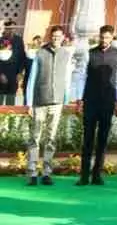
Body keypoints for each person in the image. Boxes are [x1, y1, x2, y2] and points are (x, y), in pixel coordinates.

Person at [25, 24, 73, 186]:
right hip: (39, 101)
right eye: (54, 36)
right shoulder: (40, 53)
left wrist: (66, 100)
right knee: (35, 137)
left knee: (51, 138)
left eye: (59, 37)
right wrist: (29, 103)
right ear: (50, 37)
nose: (56, 39)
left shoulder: (66, 54)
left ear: (63, 38)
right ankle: (32, 172)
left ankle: (47, 172)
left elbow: (67, 78)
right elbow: (32, 78)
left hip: (57, 102)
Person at [78, 24, 117, 186]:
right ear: (99, 37)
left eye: (107, 37)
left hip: (108, 101)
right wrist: (80, 99)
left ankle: (97, 174)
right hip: (90, 100)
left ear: (112, 38)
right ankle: (84, 176)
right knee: (88, 139)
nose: (104, 40)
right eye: (102, 37)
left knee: (103, 139)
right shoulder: (90, 53)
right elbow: (82, 76)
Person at [0, 36, 22, 104]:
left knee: (10, 101)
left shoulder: (18, 42)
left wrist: (20, 73)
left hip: (13, 78)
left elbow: (21, 59)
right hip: (2, 78)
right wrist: (0, 74)